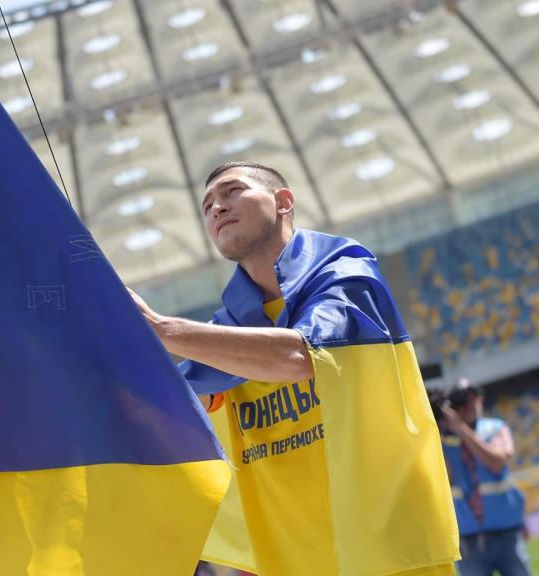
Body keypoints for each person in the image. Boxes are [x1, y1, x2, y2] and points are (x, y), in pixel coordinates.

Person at [129, 161, 459, 576]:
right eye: (208, 203)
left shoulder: (348, 276)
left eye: (232, 191)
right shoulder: (223, 332)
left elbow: (300, 357)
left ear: (283, 201)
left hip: (387, 551)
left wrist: (162, 330)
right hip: (293, 563)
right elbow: (161, 410)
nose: (216, 207)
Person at [436, 381, 530, 576]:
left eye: (472, 399)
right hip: (469, 541)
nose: (469, 407)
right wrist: (436, 431)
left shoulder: (494, 428)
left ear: (480, 399)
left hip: (507, 535)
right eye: (462, 402)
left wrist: (461, 428)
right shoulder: (444, 439)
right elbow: (446, 479)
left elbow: (497, 462)